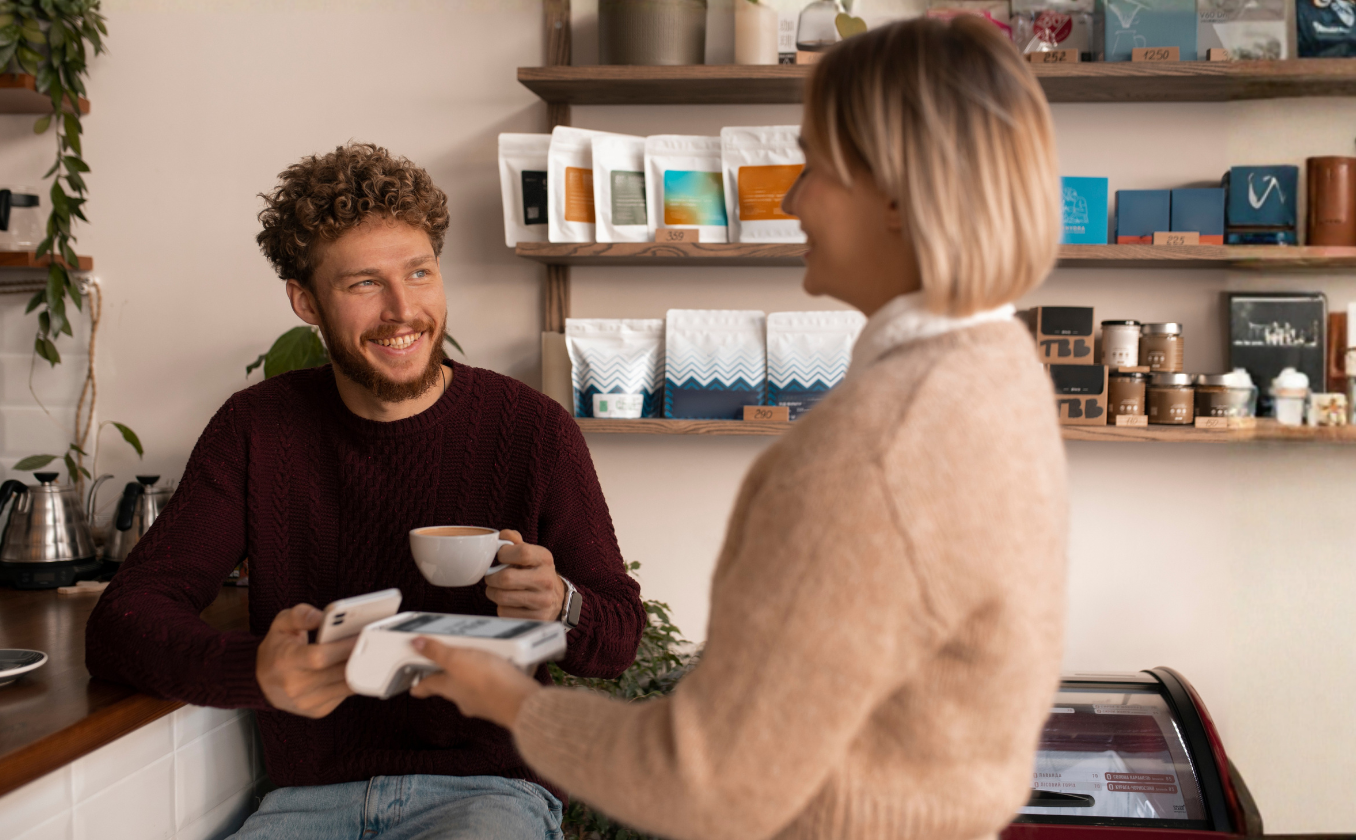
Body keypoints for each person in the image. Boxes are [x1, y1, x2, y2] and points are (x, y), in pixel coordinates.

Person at [408, 17, 1070, 840]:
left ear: (900, 196)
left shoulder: (874, 450)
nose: (791, 199)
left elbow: (705, 785)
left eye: (817, 167)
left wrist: (507, 698)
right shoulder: (1004, 368)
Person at [84, 143, 646, 840]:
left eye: (419, 273)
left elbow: (619, 636)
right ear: (305, 302)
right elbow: (121, 623)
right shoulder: (258, 429)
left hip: (489, 795)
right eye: (363, 285)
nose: (403, 310)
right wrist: (254, 670)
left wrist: (563, 605)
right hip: (307, 803)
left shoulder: (531, 429)